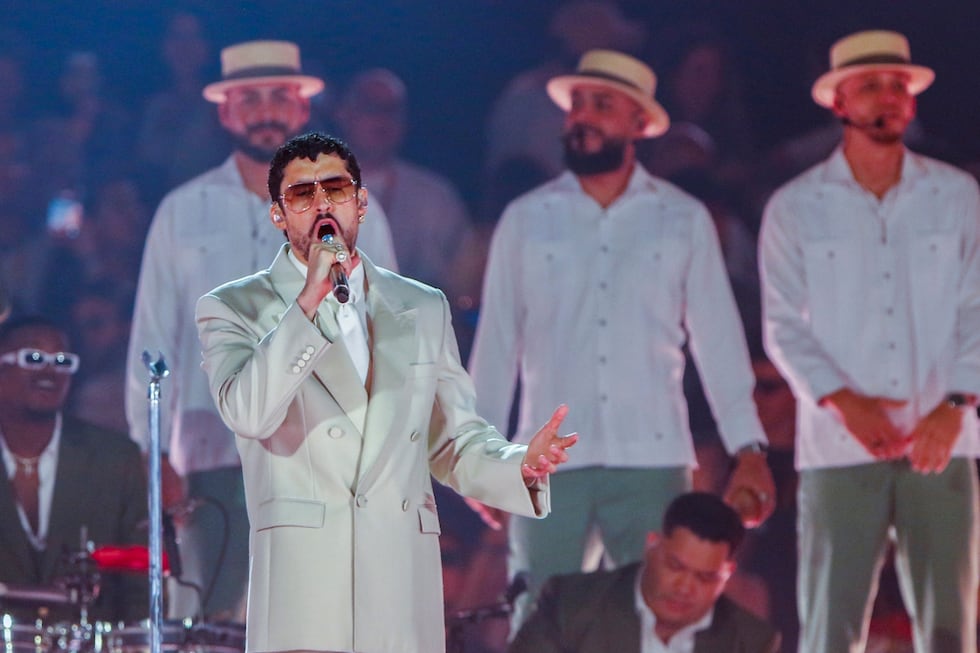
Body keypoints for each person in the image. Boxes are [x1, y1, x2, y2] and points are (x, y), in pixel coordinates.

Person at [194, 131, 578, 653]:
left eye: (336, 188)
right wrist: (306, 305)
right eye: (303, 194)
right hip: (306, 579)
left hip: (398, 572)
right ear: (278, 216)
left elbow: (451, 440)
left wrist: (519, 465)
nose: (323, 203)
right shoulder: (234, 307)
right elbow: (249, 413)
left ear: (362, 202)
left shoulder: (421, 306)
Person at [468, 48, 776, 631]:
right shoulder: (527, 218)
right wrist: (479, 453)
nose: (582, 117)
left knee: (653, 622)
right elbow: (497, 342)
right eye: (576, 104)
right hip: (547, 459)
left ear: (639, 123)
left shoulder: (681, 217)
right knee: (539, 621)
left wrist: (749, 450)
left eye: (601, 105)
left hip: (653, 455)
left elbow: (718, 340)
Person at [125, 39, 398, 622]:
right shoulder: (183, 210)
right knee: (209, 618)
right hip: (211, 448)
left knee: (319, 616)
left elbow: (387, 329)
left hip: (324, 448)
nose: (265, 109)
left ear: (303, 108)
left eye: (280, 95)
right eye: (249, 98)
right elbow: (153, 338)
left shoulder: (347, 206)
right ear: (226, 112)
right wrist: (152, 456)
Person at [759, 29, 980, 653]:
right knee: (832, 622)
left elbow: (976, 305)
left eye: (898, 84)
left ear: (912, 100)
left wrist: (958, 401)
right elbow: (782, 324)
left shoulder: (957, 195)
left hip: (944, 433)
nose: (888, 96)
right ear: (839, 102)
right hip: (838, 440)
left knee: (950, 626)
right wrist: (842, 401)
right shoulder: (796, 206)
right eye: (871, 85)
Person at [0, 316, 147, 623]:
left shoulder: (115, 458)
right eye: (34, 358)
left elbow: (140, 579)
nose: (50, 371)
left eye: (63, 361)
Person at [509, 492, 781, 653]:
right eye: (676, 566)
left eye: (705, 577)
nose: (685, 588)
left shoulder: (750, 642)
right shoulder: (572, 604)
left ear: (728, 574)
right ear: (653, 546)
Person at [334, 68, 471, 292]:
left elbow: (464, 286)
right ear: (344, 114)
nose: (382, 118)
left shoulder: (436, 197)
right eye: (370, 107)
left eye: (392, 110)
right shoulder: (313, 193)